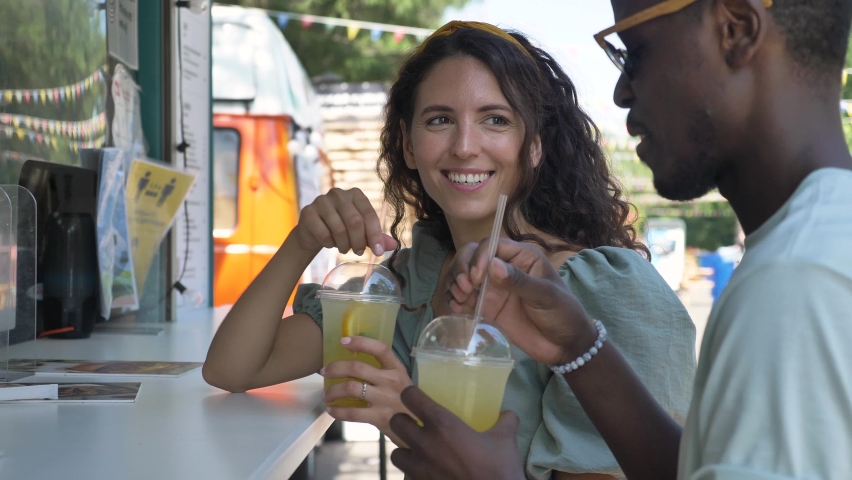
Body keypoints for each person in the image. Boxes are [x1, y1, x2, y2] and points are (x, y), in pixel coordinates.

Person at [202, 20, 697, 479]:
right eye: (440, 120)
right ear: (410, 145)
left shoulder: (600, 290)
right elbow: (234, 368)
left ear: (535, 146)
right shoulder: (407, 286)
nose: (464, 145)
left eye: (495, 120)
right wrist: (302, 239)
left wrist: (412, 417)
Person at [389, 1, 852, 479]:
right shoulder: (811, 249)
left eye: (635, 53)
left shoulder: (802, 280)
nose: (620, 92)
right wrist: (580, 348)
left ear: (735, 29)